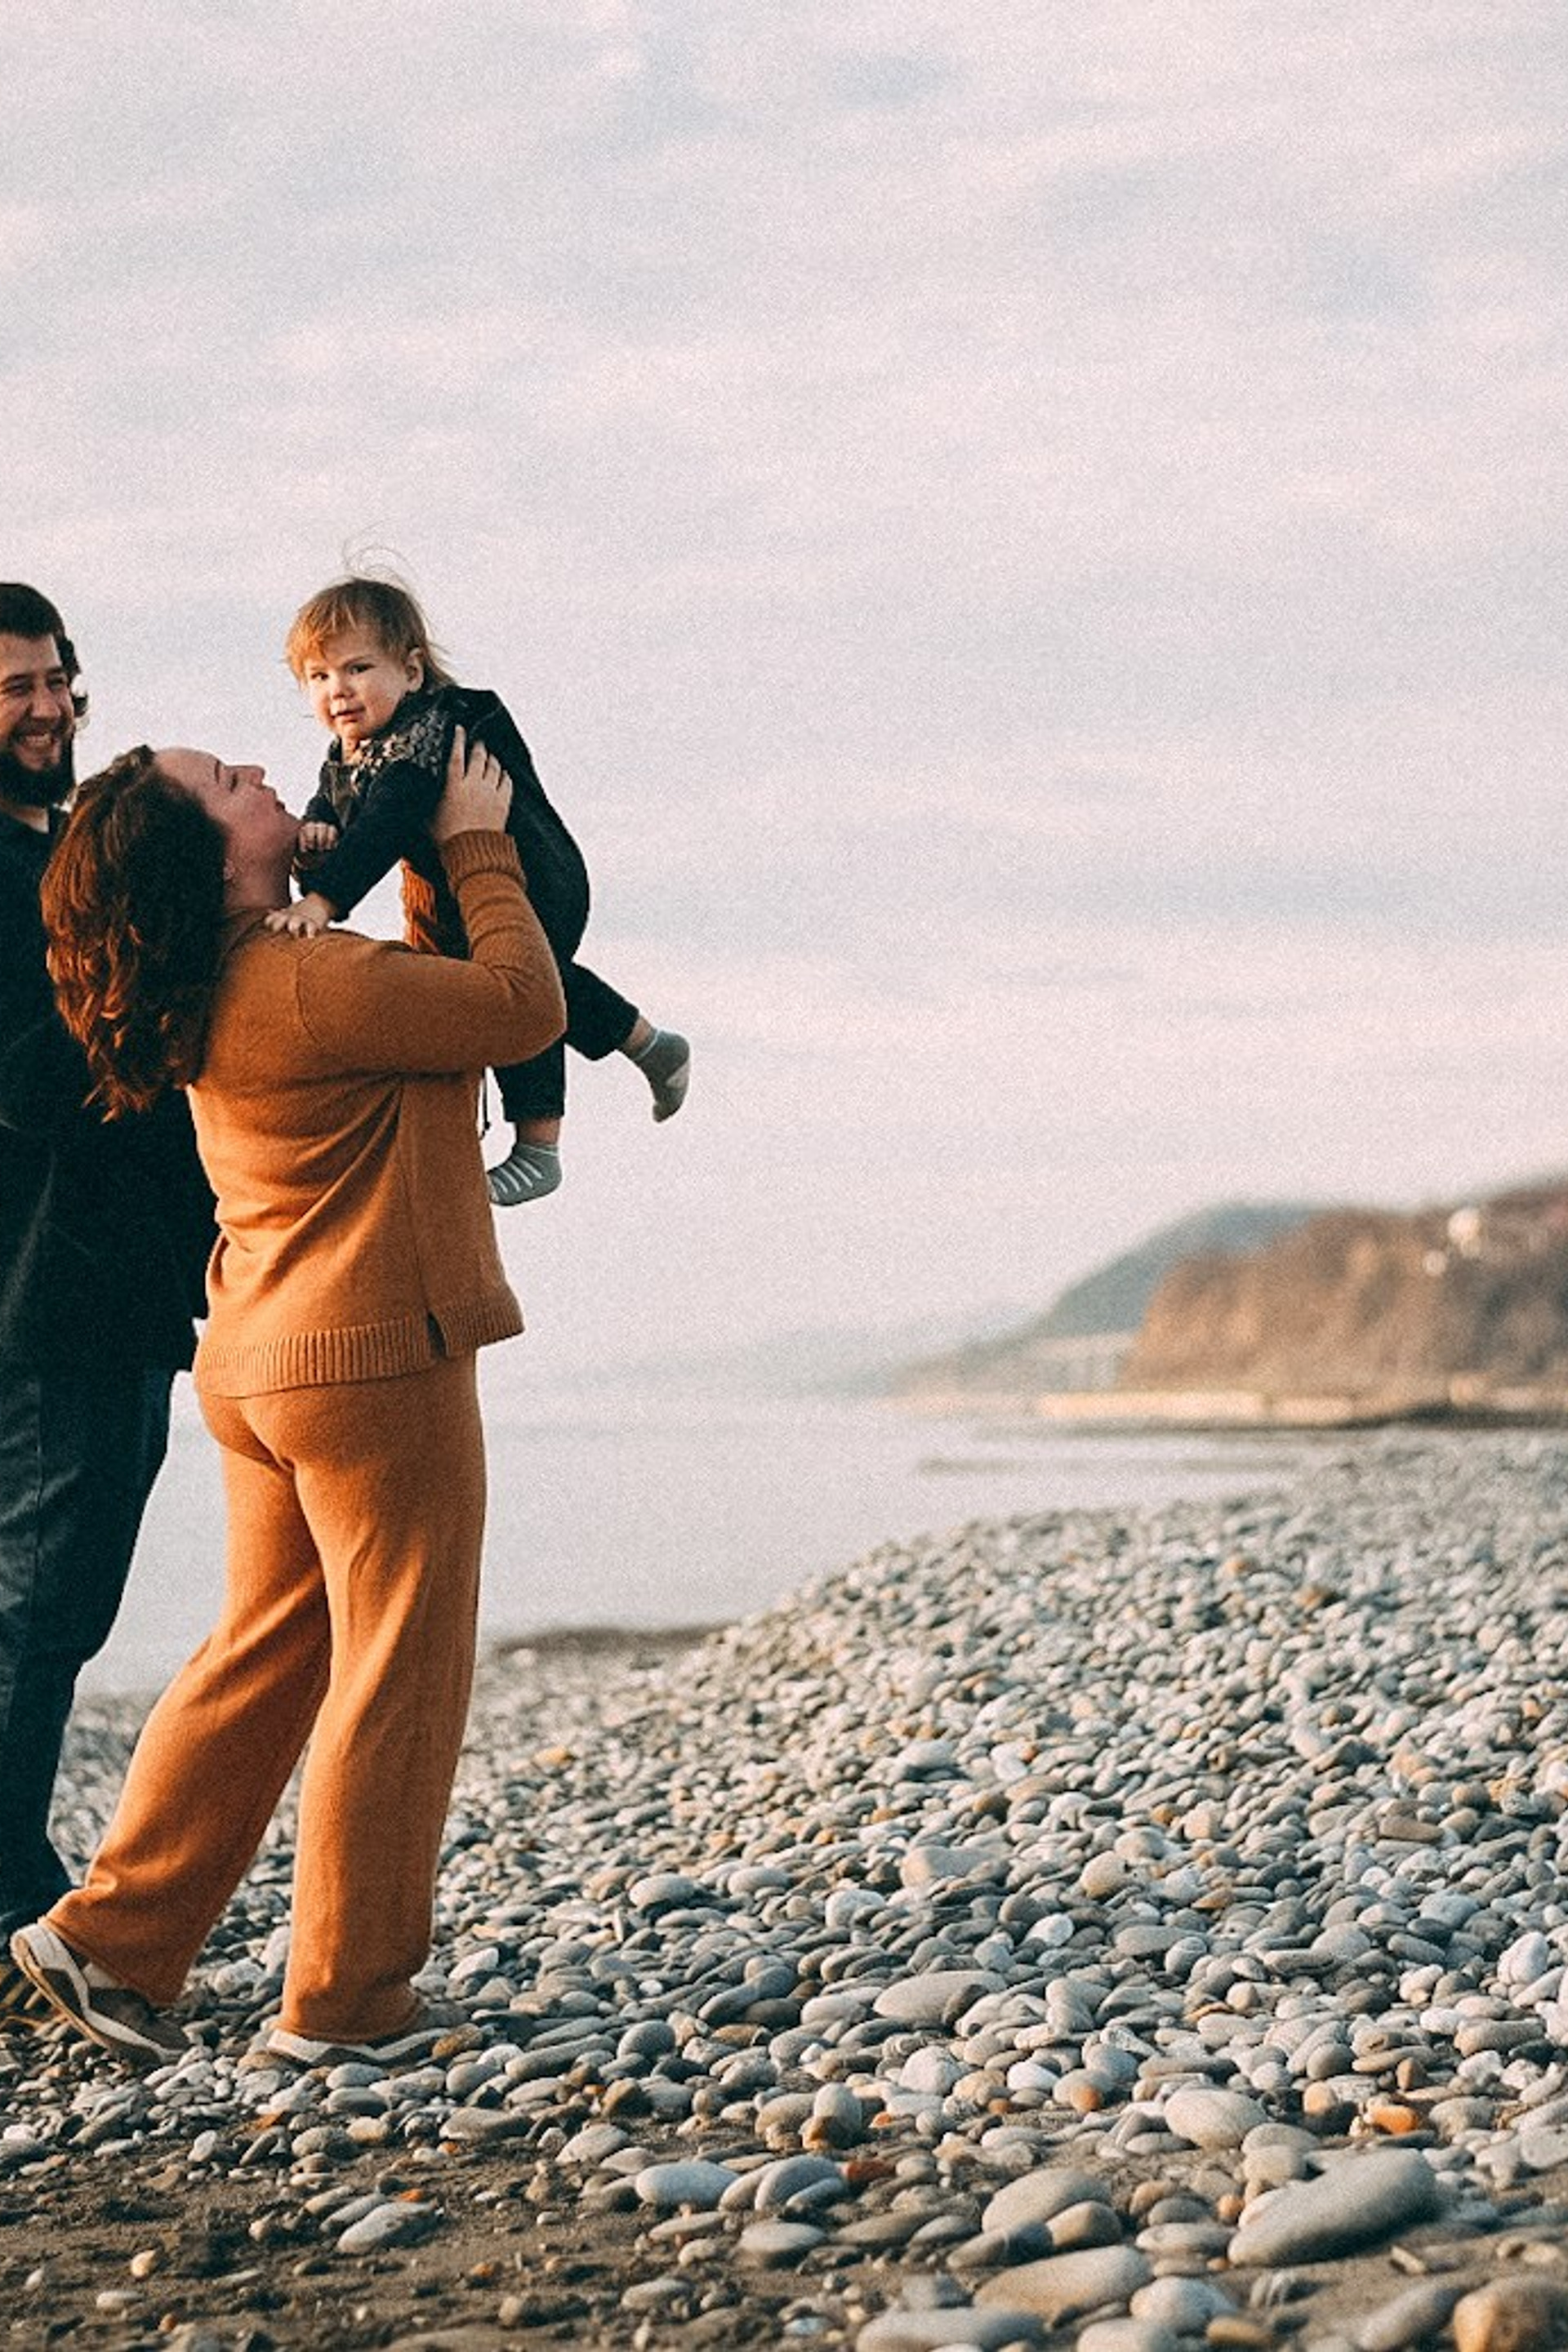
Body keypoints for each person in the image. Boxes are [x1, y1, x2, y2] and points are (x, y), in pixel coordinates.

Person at [11, 728, 566, 2068]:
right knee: (397, 1669)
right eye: (227, 784)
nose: (261, 775)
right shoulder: (314, 982)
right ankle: (347, 2004)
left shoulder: (212, 985)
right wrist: (479, 843)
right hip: (369, 1362)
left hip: (261, 1363)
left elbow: (435, 1001)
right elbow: (521, 1008)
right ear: (208, 859)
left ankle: (109, 1937)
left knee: (263, 1650)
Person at [0, 586, 213, 2031]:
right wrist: (159, 989)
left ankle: (21, 1883)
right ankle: (14, 1902)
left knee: (50, 1612)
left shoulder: (68, 848)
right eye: (13, 687)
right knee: (39, 1611)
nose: (45, 707)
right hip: (49, 1291)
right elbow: (27, 1079)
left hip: (113, 1285)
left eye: (54, 678)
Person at [274, 574, 690, 1206]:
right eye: (319, 676)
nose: (339, 690)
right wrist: (319, 831)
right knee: (538, 981)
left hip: (533, 873)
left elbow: (386, 824)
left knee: (512, 989)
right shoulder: (357, 748)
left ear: (412, 672)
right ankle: (651, 1047)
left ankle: (539, 1146)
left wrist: (323, 901)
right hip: (476, 885)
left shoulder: (426, 736)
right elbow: (337, 798)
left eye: (358, 668)